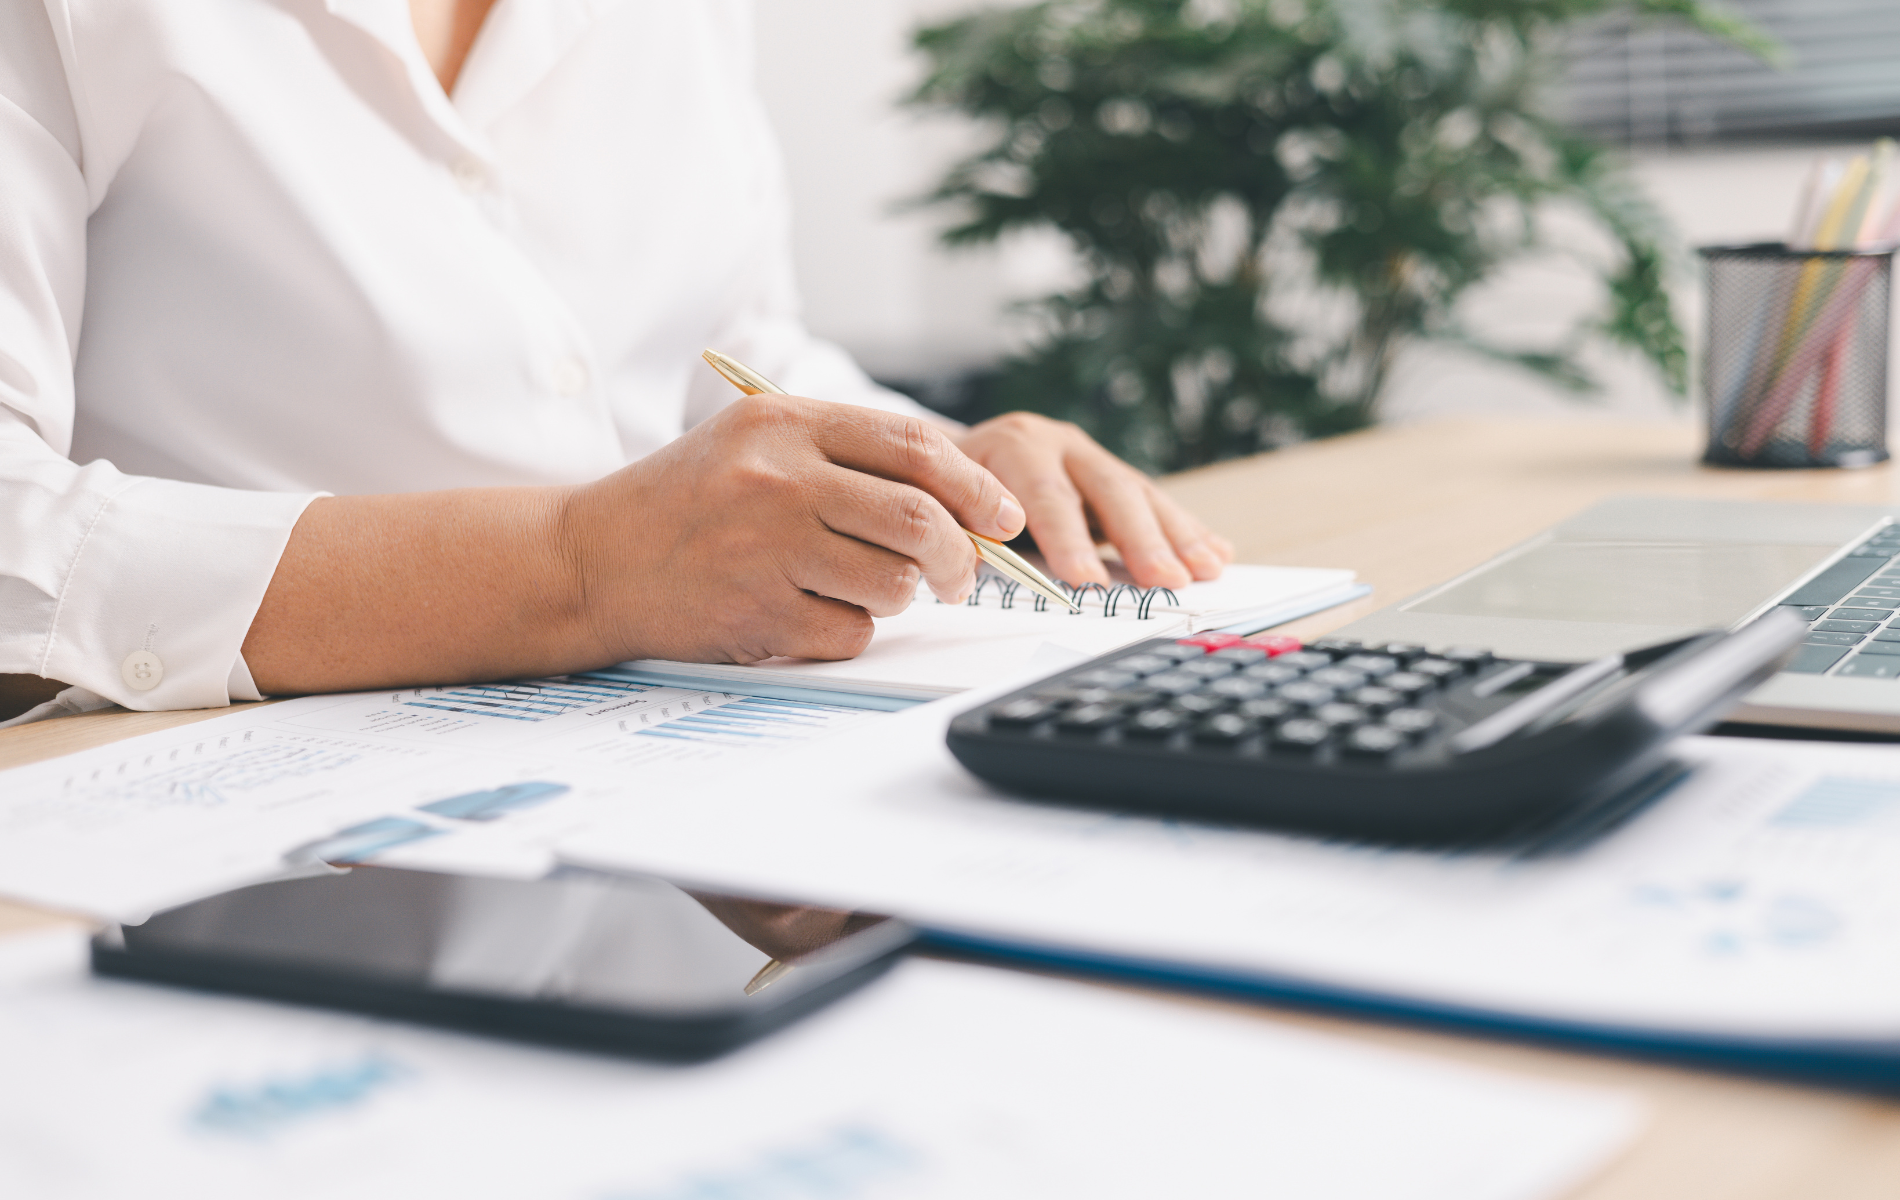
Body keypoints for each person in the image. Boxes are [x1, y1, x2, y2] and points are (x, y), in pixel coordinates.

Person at [0, 0, 1232, 722]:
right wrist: (576, 568)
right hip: (218, 856)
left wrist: (929, 470)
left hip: (671, 802)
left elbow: (728, 351)